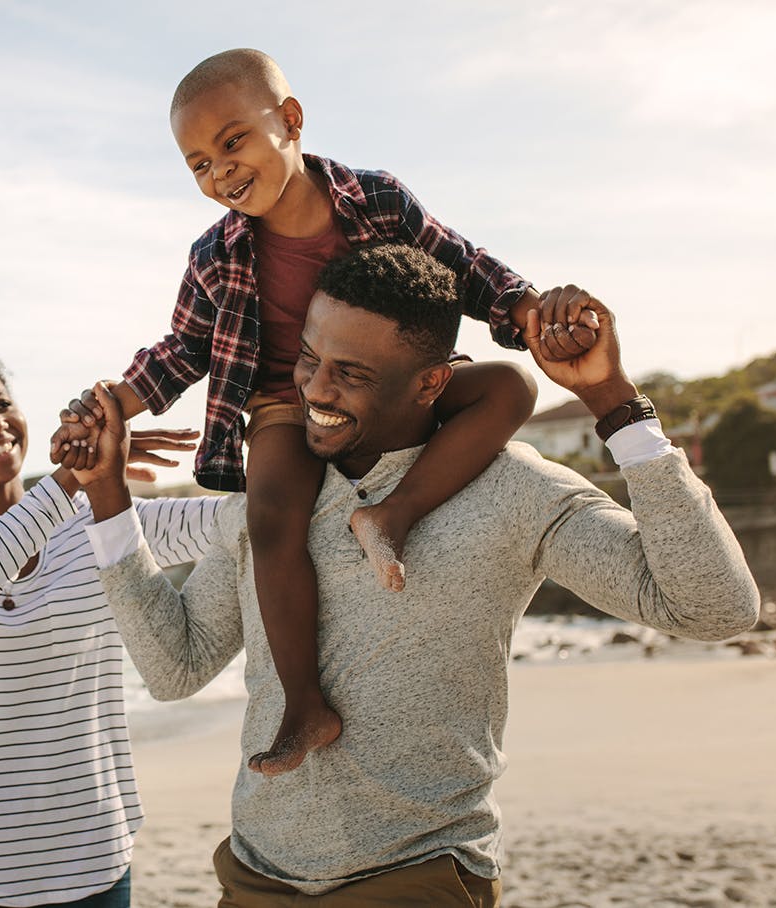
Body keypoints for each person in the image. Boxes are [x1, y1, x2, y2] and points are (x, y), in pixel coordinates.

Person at [76, 243, 758, 907]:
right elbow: (175, 669)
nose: (316, 388)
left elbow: (714, 606)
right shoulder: (270, 502)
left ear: (433, 381)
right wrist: (107, 494)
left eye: (352, 373)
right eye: (309, 359)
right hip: (257, 877)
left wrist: (612, 401)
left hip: (418, 879)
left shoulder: (511, 491)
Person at [50, 47, 600, 776]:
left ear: (290, 120)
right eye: (198, 165)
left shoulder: (376, 200)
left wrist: (531, 312)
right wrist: (109, 403)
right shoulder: (214, 254)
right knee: (270, 515)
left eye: (232, 142)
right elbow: (183, 349)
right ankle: (305, 706)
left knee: (511, 391)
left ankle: (391, 516)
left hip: (389, 387)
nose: (220, 173)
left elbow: (464, 266)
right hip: (286, 399)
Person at [0, 332, 219, 908]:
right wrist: (69, 480)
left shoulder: (100, 519)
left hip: (92, 857)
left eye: (1, 402)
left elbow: (234, 523)